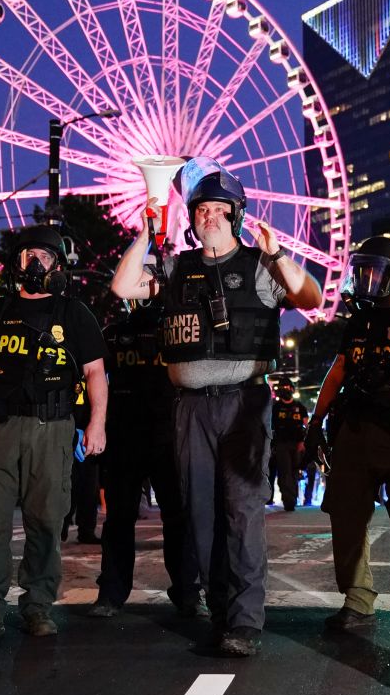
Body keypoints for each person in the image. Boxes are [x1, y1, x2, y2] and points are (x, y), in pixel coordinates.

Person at [110, 157, 322, 657]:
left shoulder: (261, 265)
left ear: (238, 215)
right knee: (198, 512)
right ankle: (222, 613)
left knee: (243, 511)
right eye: (201, 209)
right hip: (189, 408)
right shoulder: (176, 268)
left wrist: (280, 255)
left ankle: (245, 622)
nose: (209, 216)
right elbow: (122, 287)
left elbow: (310, 298)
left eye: (219, 210)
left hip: (244, 402)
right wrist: (145, 231)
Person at [0, 224, 107, 643]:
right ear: (16, 262)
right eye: (26, 255)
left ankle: (37, 606)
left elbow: (94, 373)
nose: (34, 263)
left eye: (44, 256)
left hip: (52, 429)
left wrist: (97, 422)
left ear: (59, 265)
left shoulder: (74, 313)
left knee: (46, 521)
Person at [309, 236, 390, 639]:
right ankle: (357, 602)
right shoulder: (357, 321)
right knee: (345, 516)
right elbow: (340, 369)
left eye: (375, 271)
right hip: (356, 429)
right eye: (361, 270)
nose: (366, 279)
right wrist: (315, 422)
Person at [88, 301, 200, 618]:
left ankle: (188, 591)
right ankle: (111, 592)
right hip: (125, 435)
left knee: (178, 518)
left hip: (171, 434)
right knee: (119, 519)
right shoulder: (114, 333)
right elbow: (93, 377)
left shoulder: (179, 330)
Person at [269, 378, 309, 510]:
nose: (285, 390)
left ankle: (293, 497)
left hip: (297, 444)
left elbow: (306, 425)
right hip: (281, 444)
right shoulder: (276, 408)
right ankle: (289, 500)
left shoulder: (300, 407)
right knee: (284, 472)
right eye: (283, 388)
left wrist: (303, 442)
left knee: (294, 472)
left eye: (287, 387)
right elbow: (271, 426)